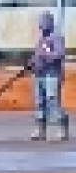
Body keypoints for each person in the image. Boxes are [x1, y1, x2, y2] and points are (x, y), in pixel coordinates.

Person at [31, 11, 67, 141]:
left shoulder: (56, 37)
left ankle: (61, 128)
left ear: (50, 23)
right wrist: (32, 63)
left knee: (52, 100)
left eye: (43, 23)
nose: (41, 26)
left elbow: (60, 54)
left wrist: (45, 57)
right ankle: (41, 130)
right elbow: (36, 55)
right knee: (39, 101)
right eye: (40, 23)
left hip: (52, 74)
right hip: (39, 74)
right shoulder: (40, 39)